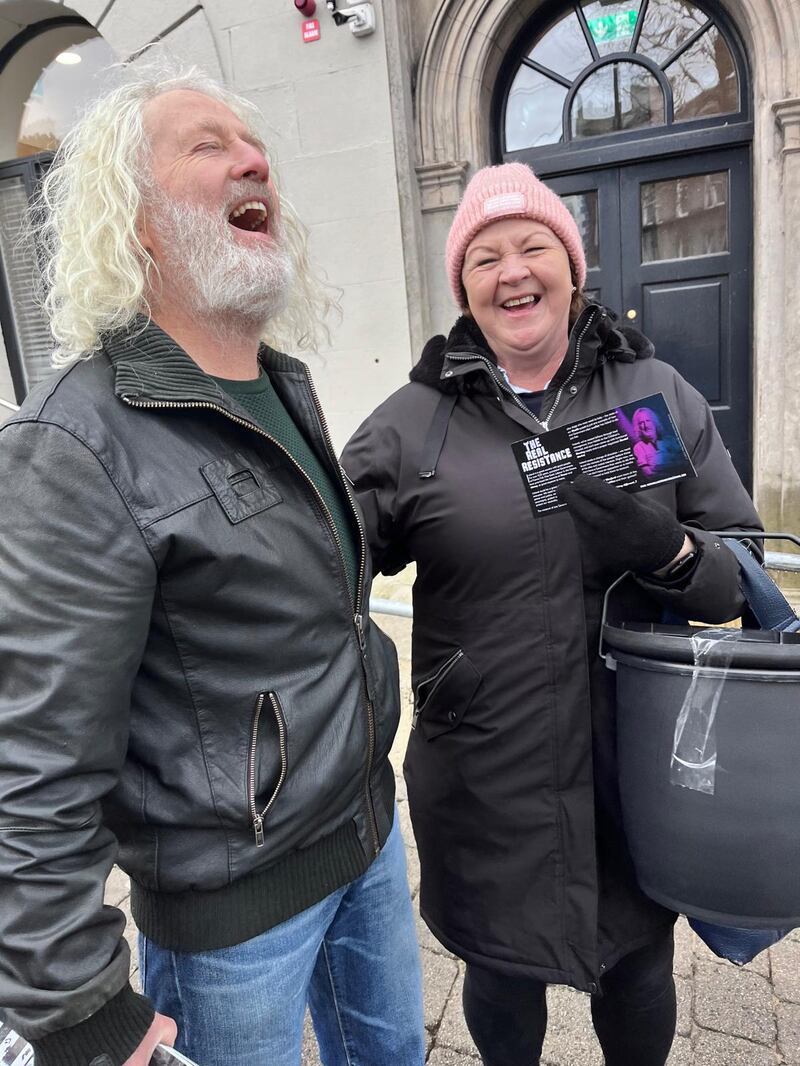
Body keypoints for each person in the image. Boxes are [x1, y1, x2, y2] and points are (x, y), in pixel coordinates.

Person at [0, 67, 424, 1066]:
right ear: (136, 217)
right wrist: (78, 1007)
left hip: (365, 839)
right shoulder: (75, 439)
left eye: (254, 144)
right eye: (207, 143)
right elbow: (32, 760)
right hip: (234, 919)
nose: (253, 158)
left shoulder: (283, 383)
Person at [341, 162, 762, 1066]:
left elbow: (747, 575)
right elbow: (320, 562)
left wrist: (673, 554)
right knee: (498, 975)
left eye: (534, 246)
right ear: (464, 289)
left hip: (634, 764)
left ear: (573, 270)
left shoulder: (657, 394)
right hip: (487, 770)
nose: (512, 271)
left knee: (641, 968)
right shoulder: (414, 424)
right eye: (485, 258)